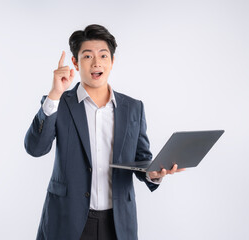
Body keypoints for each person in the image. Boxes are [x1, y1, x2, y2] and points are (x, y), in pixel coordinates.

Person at [24, 24, 184, 240]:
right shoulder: (58, 103)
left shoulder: (133, 108)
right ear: (75, 62)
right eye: (88, 56)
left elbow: (141, 160)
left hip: (118, 223)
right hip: (66, 220)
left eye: (103, 56)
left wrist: (153, 174)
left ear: (112, 61)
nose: (96, 63)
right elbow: (35, 148)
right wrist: (55, 94)